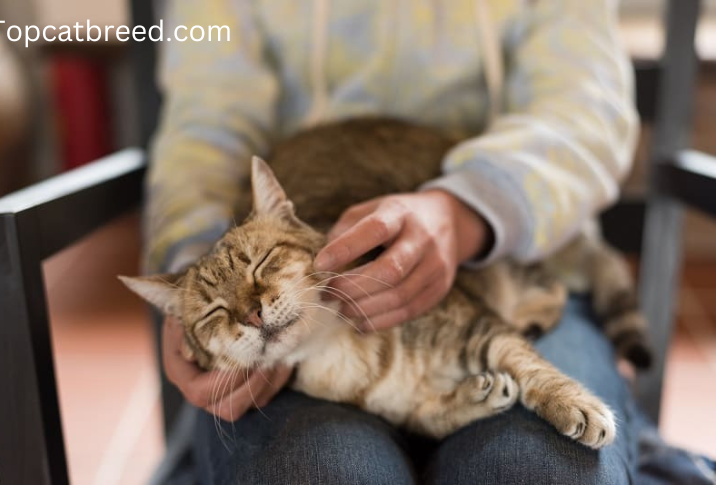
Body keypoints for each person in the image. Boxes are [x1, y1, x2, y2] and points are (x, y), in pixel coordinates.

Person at [146, 1, 643, 483]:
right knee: (317, 475)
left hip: (529, 251)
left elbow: (586, 106)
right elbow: (204, 127)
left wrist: (468, 209)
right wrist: (193, 283)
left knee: (539, 471)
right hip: (305, 305)